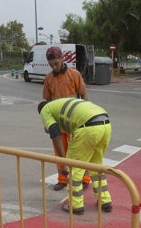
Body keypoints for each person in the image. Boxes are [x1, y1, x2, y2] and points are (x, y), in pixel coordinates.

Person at [37, 98, 113, 215]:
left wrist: (63, 161)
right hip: (105, 124)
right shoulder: (59, 104)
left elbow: (55, 133)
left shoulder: (45, 110)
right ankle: (105, 201)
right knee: (96, 166)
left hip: (87, 128)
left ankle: (76, 205)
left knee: (74, 169)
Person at [42, 46, 91, 191]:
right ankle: (62, 179)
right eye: (51, 65)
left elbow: (84, 96)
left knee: (78, 150)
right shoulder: (48, 78)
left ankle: (84, 178)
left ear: (62, 59)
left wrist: (86, 117)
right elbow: (46, 101)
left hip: (74, 120)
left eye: (56, 63)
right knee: (59, 151)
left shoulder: (74, 74)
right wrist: (47, 122)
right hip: (58, 122)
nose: (54, 67)